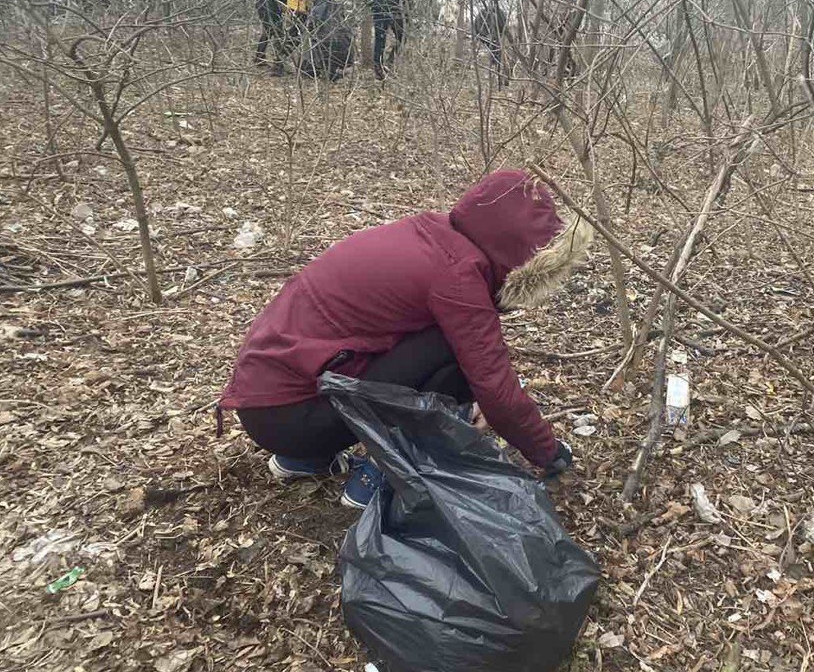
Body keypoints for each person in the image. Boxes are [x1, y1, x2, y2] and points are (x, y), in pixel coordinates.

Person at [218, 169, 591, 508]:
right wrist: (549, 452)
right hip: (296, 418)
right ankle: (385, 473)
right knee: (455, 355)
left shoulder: (427, 233)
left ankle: (306, 459)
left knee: (452, 351)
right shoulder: (457, 277)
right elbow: (495, 385)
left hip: (265, 406)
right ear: (525, 260)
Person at [364, 0, 409, 81]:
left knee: (380, 39)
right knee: (402, 36)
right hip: (395, 11)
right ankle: (387, 63)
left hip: (381, 10)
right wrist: (406, 12)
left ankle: (379, 67)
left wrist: (374, 6)